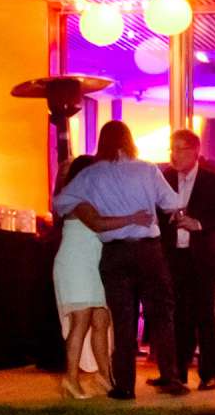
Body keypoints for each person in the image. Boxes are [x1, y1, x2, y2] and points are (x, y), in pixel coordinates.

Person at [54, 120, 187, 398]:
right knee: (161, 314)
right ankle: (171, 376)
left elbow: (61, 202)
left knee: (123, 320)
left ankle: (125, 385)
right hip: (148, 249)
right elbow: (172, 203)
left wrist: (91, 204)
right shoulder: (147, 170)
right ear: (129, 140)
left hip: (114, 252)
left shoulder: (92, 175)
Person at [162, 128, 215, 392]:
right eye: (171, 148)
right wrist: (168, 219)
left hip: (203, 257)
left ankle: (209, 374)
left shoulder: (212, 181)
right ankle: (178, 373)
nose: (174, 154)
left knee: (204, 315)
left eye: (179, 148)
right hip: (176, 256)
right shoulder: (165, 178)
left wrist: (200, 223)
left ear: (195, 151)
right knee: (179, 316)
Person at [51, 154, 113, 399]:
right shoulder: (76, 199)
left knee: (101, 320)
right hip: (76, 265)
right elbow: (98, 223)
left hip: (92, 265)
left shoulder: (91, 197)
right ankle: (71, 379)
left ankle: (104, 376)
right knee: (81, 320)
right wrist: (132, 219)